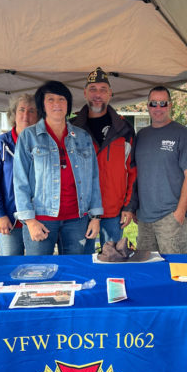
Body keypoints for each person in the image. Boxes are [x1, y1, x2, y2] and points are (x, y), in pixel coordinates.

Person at [13, 80, 103, 255]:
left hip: (78, 219)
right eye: (51, 99)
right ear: (42, 105)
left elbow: (94, 179)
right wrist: (30, 221)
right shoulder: (28, 137)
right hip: (41, 220)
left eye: (62, 99)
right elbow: (20, 181)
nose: (57, 104)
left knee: (76, 273)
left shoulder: (83, 137)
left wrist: (96, 217)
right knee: (39, 273)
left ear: (68, 104)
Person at [71, 67, 136, 253]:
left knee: (113, 262)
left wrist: (129, 206)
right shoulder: (73, 128)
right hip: (80, 211)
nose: (97, 94)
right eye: (92, 89)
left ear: (110, 94)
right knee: (82, 263)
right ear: (85, 93)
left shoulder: (124, 129)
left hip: (113, 211)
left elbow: (133, 171)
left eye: (102, 90)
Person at [132, 86, 187, 254]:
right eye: (153, 103)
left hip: (170, 217)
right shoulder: (141, 136)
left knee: (177, 268)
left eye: (163, 103)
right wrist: (134, 207)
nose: (158, 108)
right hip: (144, 219)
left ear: (170, 106)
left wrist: (180, 212)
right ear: (147, 106)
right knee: (148, 269)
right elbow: (135, 174)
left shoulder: (183, 134)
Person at [0, 93, 38, 255]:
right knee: (11, 266)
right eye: (21, 110)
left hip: (38, 219)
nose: (26, 115)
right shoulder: (1, 143)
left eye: (32, 111)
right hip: (9, 219)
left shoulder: (44, 143)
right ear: (13, 114)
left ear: (39, 116)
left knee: (38, 267)